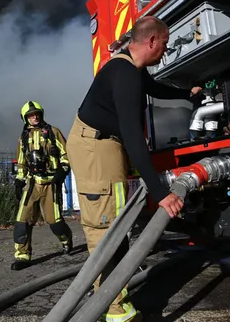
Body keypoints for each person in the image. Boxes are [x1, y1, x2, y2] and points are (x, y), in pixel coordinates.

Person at [65, 16, 202, 322]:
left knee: (116, 218)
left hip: (105, 144)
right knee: (105, 226)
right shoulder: (124, 73)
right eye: (165, 44)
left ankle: (116, 291)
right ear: (151, 41)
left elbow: (154, 88)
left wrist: (186, 94)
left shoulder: (133, 69)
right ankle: (115, 310)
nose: (165, 51)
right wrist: (160, 192)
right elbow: (131, 132)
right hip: (95, 146)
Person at [11, 100, 74, 271]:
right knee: (22, 220)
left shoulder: (53, 132)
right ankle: (22, 256)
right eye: (31, 115)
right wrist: (19, 180)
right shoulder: (23, 138)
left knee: (55, 222)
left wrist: (62, 171)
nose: (35, 117)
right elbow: (22, 163)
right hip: (32, 184)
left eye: (37, 114)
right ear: (26, 119)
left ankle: (66, 239)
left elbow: (66, 154)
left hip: (50, 183)